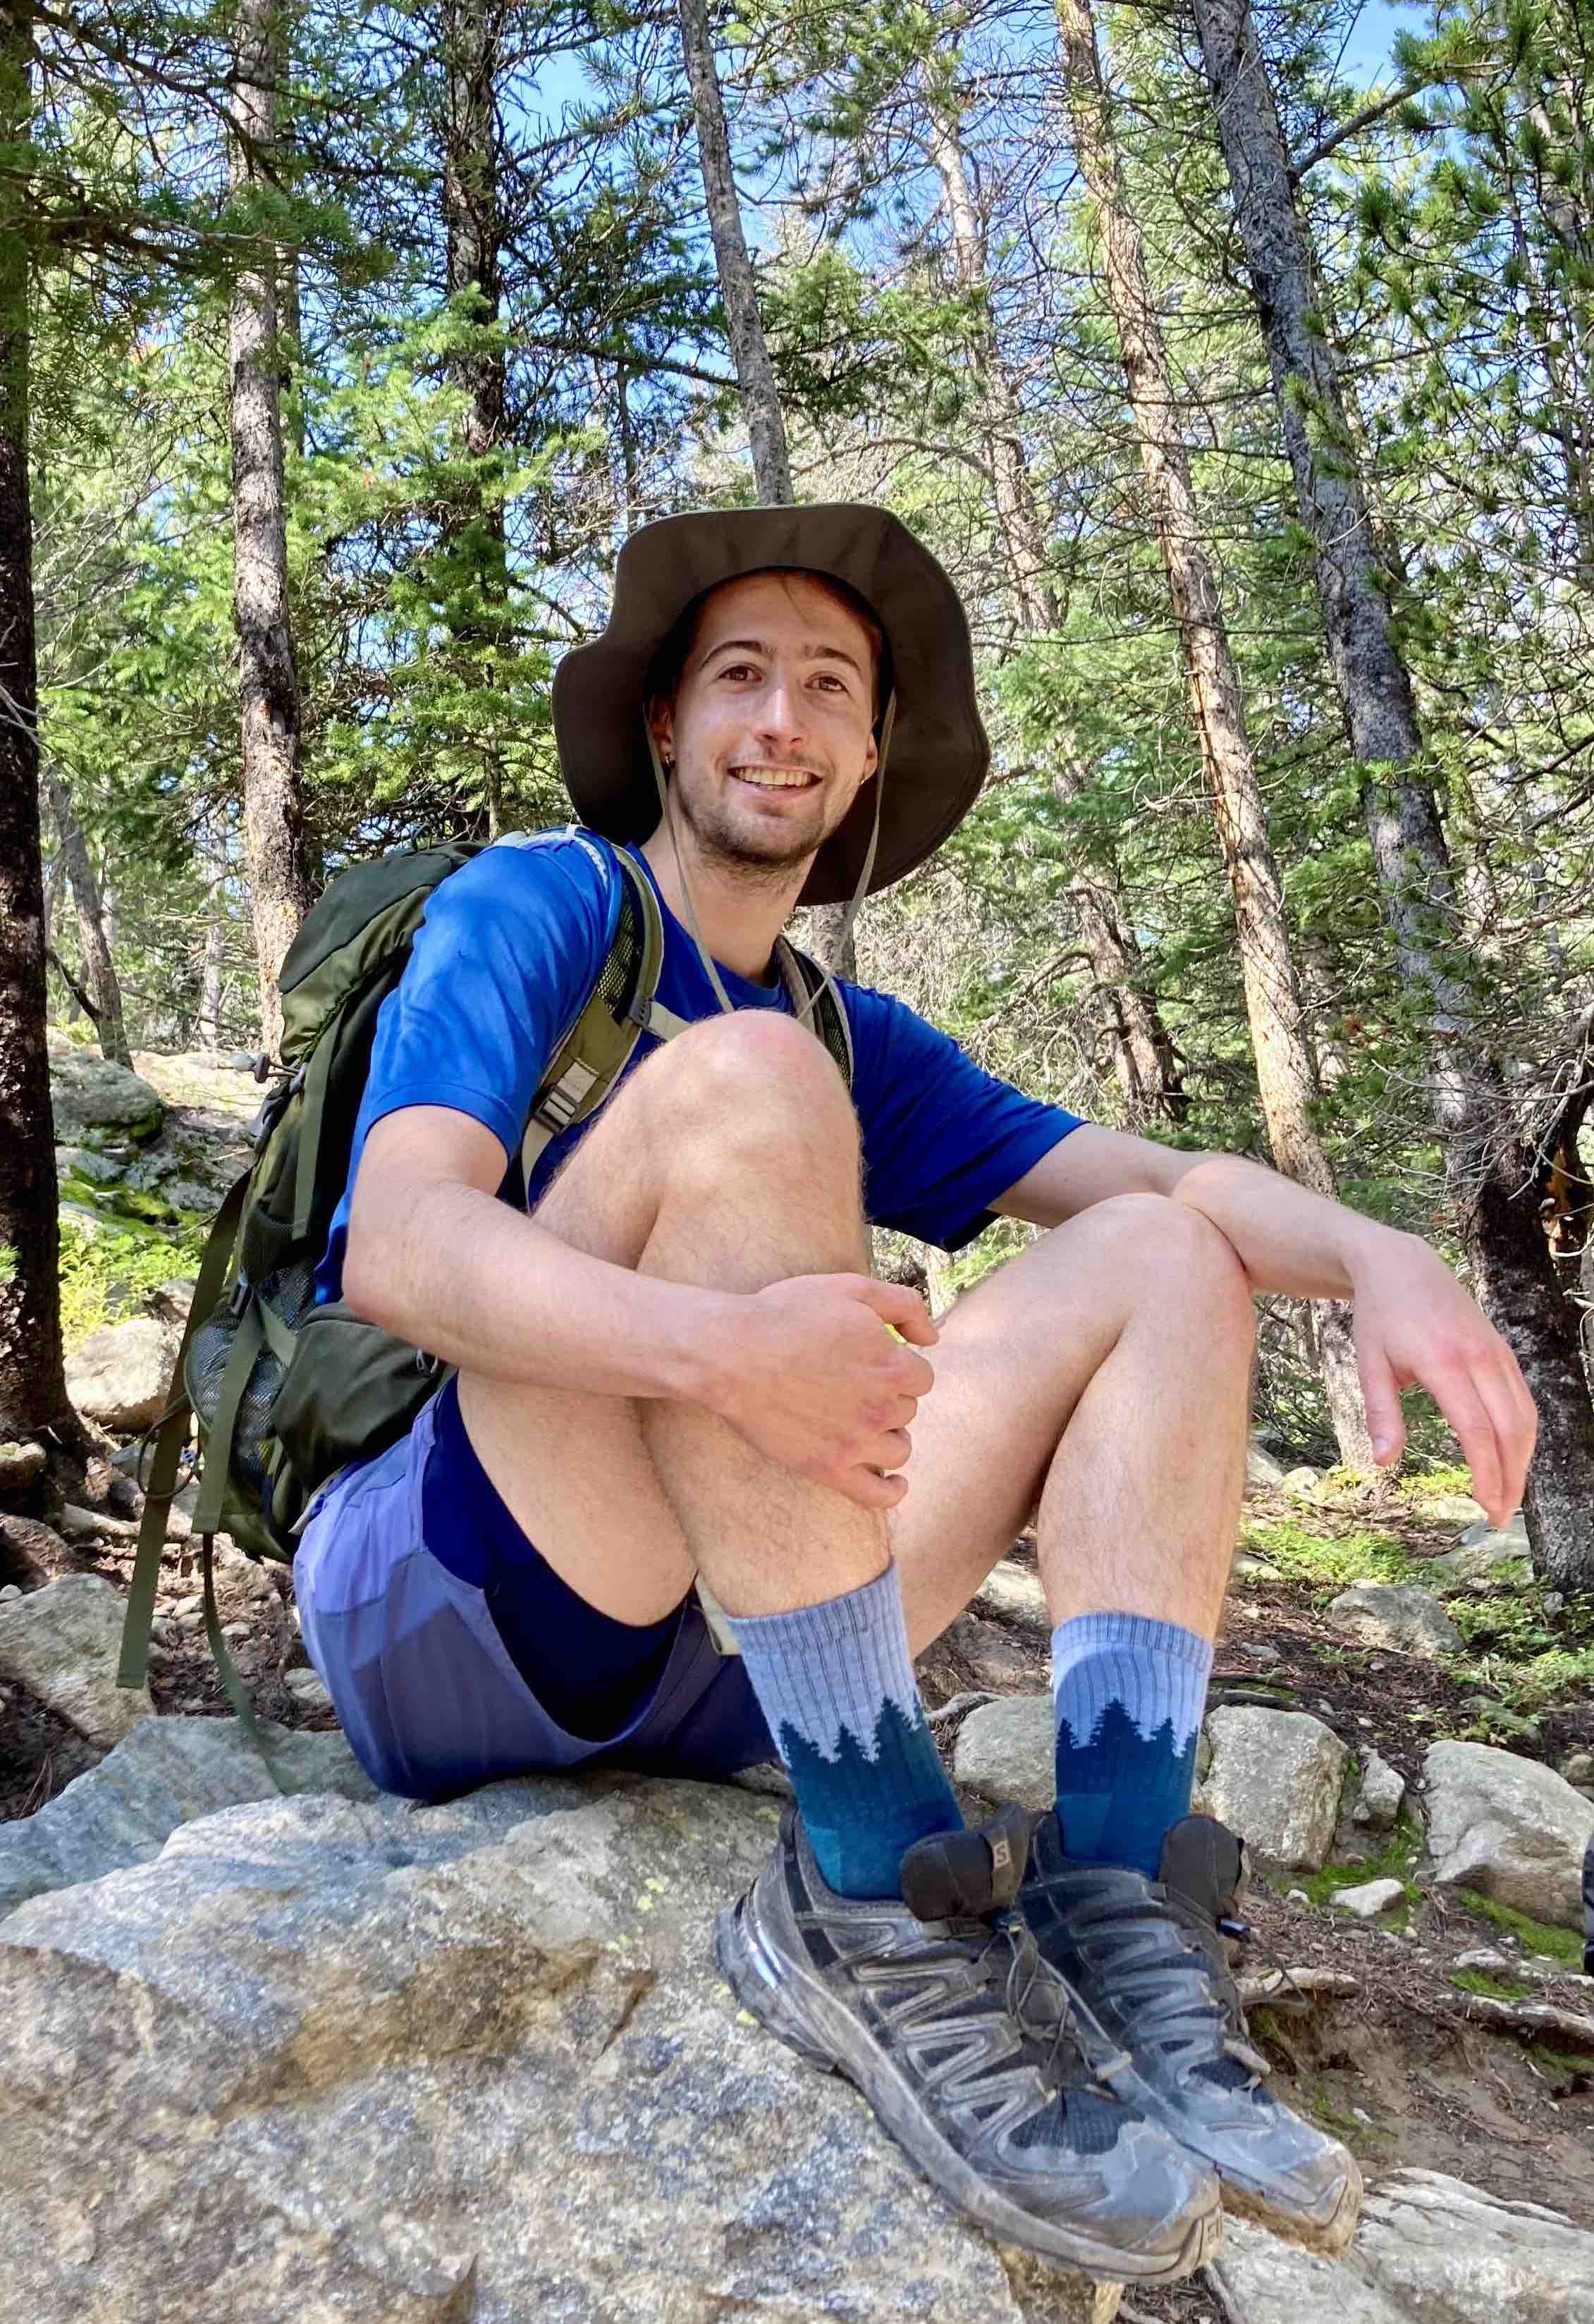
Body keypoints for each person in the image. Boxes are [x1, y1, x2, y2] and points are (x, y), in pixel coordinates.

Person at [294, 503, 1536, 2281]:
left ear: (871, 750)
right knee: (756, 1084)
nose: (779, 720)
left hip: (731, 1660)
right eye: (739, 677)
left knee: (1166, 1247)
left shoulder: (850, 1027)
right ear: (665, 725)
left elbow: (1166, 1176)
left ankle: (1113, 1907)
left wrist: (1380, 1254)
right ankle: (872, 1885)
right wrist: (721, 1351)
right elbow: (398, 1247)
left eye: (826, 687)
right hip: (461, 1601)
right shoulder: (545, 906)